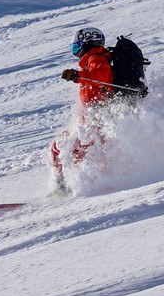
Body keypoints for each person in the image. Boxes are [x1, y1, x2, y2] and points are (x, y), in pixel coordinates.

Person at [48, 27, 115, 194]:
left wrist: (78, 75)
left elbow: (103, 77)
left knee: (70, 150)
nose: (76, 52)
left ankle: (76, 187)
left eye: (76, 47)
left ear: (87, 43)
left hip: (99, 118)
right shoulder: (94, 59)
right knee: (61, 147)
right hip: (93, 119)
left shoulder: (96, 58)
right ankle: (66, 186)